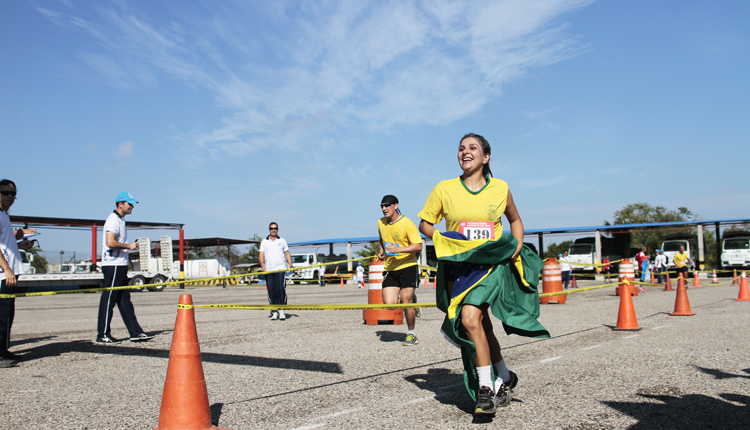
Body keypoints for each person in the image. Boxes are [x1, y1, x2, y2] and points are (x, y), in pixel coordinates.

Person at [418, 133, 548, 415]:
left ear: (486, 157)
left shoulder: (500, 188)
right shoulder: (444, 189)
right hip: (461, 268)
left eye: (472, 148)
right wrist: (442, 237)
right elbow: (424, 224)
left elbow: (515, 219)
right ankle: (505, 375)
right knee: (479, 324)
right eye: (461, 148)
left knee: (469, 317)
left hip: (491, 267)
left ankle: (485, 388)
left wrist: (516, 245)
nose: (465, 152)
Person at [96, 192, 154, 344]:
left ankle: (135, 332)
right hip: (113, 265)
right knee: (109, 299)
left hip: (120, 265)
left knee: (124, 300)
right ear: (120, 204)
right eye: (129, 204)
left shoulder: (120, 220)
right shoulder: (113, 220)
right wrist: (129, 246)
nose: (132, 206)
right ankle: (102, 334)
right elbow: (110, 242)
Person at [377, 195, 423, 346]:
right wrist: (382, 250)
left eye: (387, 205)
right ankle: (411, 302)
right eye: (382, 206)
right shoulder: (381, 222)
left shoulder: (407, 223)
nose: (384, 208)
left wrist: (399, 249)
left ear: (396, 205)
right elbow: (381, 238)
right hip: (390, 267)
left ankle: (411, 334)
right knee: (389, 303)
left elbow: (418, 246)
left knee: (406, 302)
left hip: (408, 266)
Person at [0, 179, 36, 368]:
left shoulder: (5, 215)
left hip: (11, 272)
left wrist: (21, 244)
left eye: (13, 194)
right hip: (3, 274)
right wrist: (6, 269)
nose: (10, 197)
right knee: (1, 315)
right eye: (5, 192)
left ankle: (3, 350)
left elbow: (5, 241)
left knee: (7, 314)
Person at [259, 222, 292, 321]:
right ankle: (274, 311)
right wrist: (262, 265)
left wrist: (291, 265)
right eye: (272, 228)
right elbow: (261, 254)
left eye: (275, 228)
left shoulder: (282, 241)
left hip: (280, 269)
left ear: (278, 229)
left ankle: (282, 310)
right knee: (271, 290)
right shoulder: (264, 241)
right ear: (269, 229)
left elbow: (287, 253)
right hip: (269, 270)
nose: (273, 230)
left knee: (280, 289)